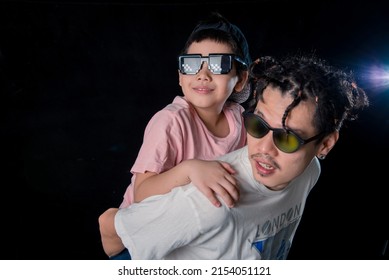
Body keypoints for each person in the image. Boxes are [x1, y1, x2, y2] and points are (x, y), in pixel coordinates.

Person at [99, 53, 369, 259]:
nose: (263, 149)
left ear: (325, 145)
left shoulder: (310, 171)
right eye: (258, 126)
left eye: (287, 138)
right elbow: (111, 231)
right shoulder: (206, 203)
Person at [99, 12, 252, 258]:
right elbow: (142, 193)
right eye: (191, 64)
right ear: (181, 76)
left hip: (196, 232)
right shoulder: (170, 121)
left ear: (241, 79)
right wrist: (190, 168)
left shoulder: (239, 119)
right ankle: (110, 228)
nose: (203, 74)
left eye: (219, 64)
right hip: (144, 238)